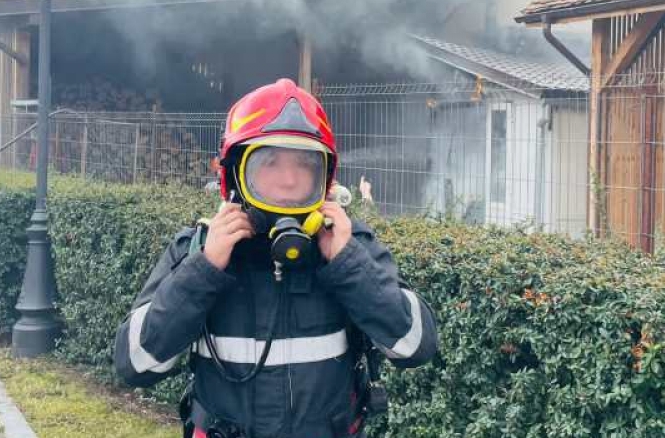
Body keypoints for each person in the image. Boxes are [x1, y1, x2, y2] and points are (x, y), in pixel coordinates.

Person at [114, 79, 438, 438]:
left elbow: (415, 346)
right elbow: (136, 364)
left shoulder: (347, 246)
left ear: (324, 176)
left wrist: (347, 264)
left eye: (304, 164)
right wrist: (204, 270)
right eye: (269, 162)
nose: (288, 180)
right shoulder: (200, 250)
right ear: (235, 173)